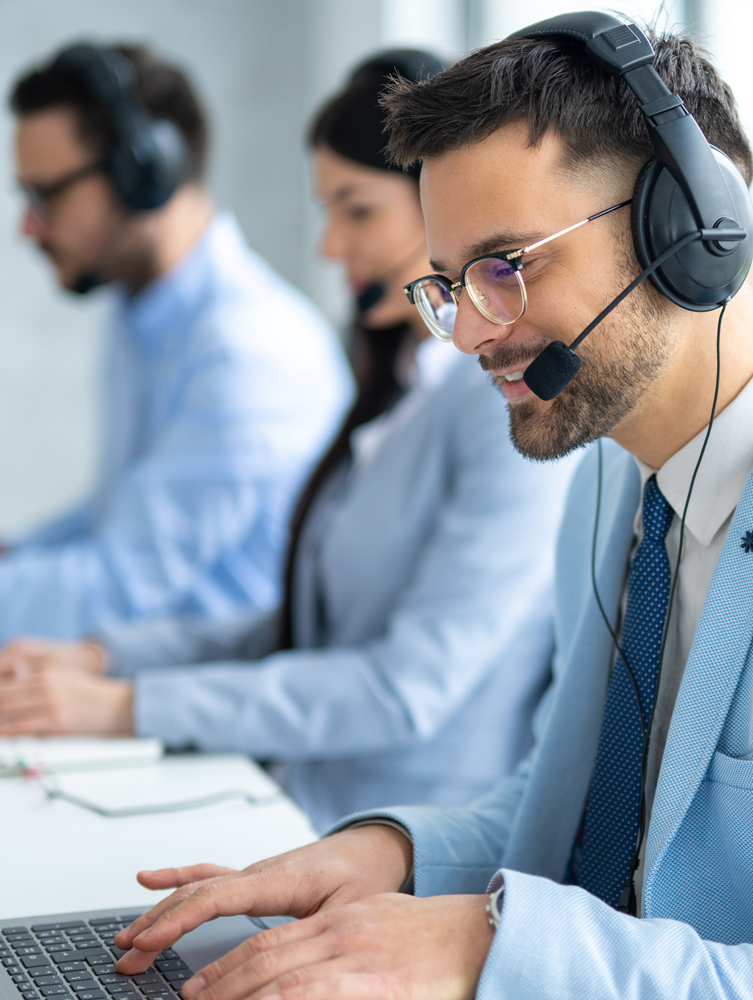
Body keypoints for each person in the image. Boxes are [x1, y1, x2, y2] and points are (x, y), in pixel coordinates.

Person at [96, 16, 753, 1000]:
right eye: (451, 286)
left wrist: (494, 948)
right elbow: (569, 810)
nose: (469, 337)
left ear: (693, 231)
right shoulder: (611, 485)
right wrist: (388, 855)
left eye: (507, 267)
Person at [0, 51, 575, 833]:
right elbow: (298, 622)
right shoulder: (393, 393)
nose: (329, 248)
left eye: (357, 210)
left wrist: (130, 704)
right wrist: (108, 660)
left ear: (440, 212)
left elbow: (403, 689)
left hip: (403, 848)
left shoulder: (501, 412)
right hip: (298, 805)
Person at [0, 42, 352, 641]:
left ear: (144, 174)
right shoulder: (139, 312)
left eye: (47, 197)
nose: (28, 227)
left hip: (220, 710)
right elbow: (116, 517)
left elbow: (120, 588)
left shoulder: (248, 353)